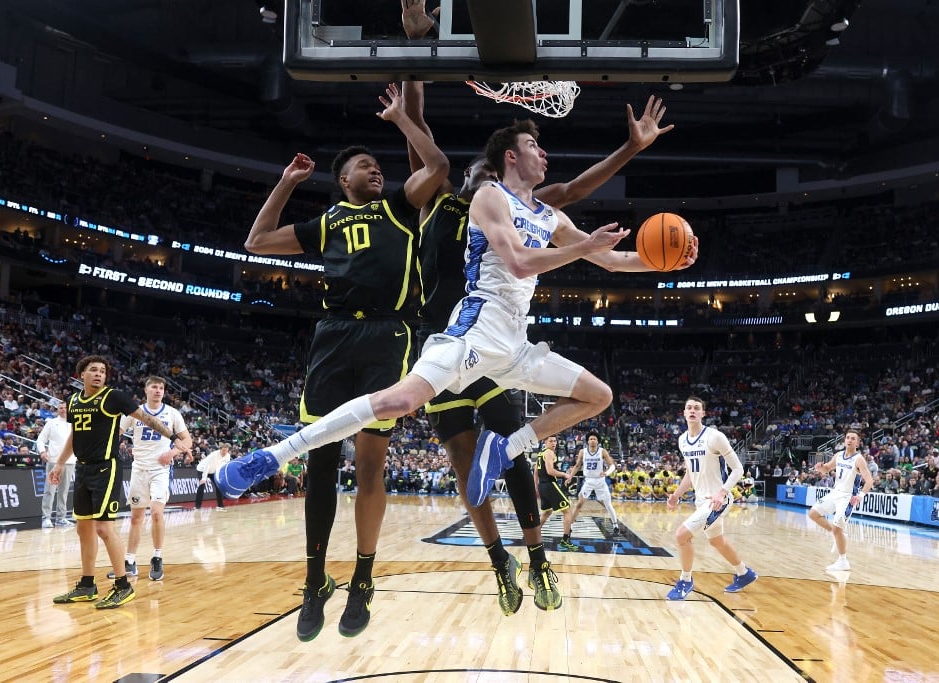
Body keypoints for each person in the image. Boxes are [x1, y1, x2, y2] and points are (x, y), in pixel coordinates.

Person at [217, 111, 695, 612]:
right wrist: (582, 249)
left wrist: (669, 259)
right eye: (535, 145)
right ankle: (273, 455)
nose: (544, 153)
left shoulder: (550, 216)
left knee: (598, 396)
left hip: (514, 343)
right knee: (399, 399)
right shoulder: (489, 198)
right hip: (472, 329)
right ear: (511, 157)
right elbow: (517, 262)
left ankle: (506, 450)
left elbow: (614, 260)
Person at [399, 2, 676, 613]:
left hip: (498, 340)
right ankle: (500, 561)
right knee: (462, 459)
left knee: (509, 449)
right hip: (445, 340)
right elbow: (419, 131)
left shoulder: (519, 206)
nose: (475, 177)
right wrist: (415, 52)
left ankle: (538, 558)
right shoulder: (441, 201)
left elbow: (571, 214)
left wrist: (659, 260)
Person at [220, 83, 448, 641]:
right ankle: (315, 579)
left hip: (388, 333)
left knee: (370, 462)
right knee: (319, 464)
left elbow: (438, 164)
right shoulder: (326, 223)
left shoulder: (399, 207)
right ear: (343, 180)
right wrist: (286, 182)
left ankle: (363, 577)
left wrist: (401, 119)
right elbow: (256, 241)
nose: (377, 172)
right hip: (332, 335)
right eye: (365, 167)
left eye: (378, 166)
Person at [50, 355, 191, 609]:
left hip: (106, 468)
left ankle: (123, 585)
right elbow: (74, 435)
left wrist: (174, 438)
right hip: (82, 468)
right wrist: (60, 462)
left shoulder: (113, 397)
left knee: (104, 528)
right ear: (81, 374)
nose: (98, 374)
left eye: (102, 371)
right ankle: (86, 584)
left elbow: (146, 418)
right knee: (83, 529)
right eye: (93, 370)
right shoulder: (72, 401)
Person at [665, 396, 756, 600]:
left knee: (681, 536)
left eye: (697, 408)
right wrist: (676, 495)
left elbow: (738, 469)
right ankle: (744, 573)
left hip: (718, 500)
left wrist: (722, 492)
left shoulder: (715, 437)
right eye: (689, 407)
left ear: (703, 413)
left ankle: (685, 581)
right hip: (701, 500)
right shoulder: (682, 440)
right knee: (717, 542)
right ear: (684, 412)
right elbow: (690, 474)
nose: (692, 411)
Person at [105, 376, 192, 582]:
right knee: (135, 518)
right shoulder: (135, 412)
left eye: (161, 388)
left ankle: (157, 556)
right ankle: (130, 561)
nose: (158, 390)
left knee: (156, 513)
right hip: (139, 469)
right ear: (146, 390)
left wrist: (171, 454)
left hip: (160, 470)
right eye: (154, 387)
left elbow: (187, 439)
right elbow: (115, 432)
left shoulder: (172, 413)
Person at [808, 430, 874, 572]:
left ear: (857, 442)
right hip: (835, 492)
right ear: (844, 440)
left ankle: (843, 561)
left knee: (838, 529)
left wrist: (860, 495)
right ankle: (838, 536)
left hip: (847, 497)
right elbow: (827, 469)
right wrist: (821, 468)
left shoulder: (859, 459)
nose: (849, 440)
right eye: (848, 437)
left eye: (853, 438)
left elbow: (869, 481)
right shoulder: (838, 455)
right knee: (813, 513)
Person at [566, 431, 620, 535]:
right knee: (579, 503)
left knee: (608, 505)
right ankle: (570, 525)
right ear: (587, 441)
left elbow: (612, 465)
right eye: (591, 439)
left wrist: (607, 472)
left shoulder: (602, 451)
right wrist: (570, 477)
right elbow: (577, 466)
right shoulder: (583, 452)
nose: (592, 440)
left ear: (598, 441)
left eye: (594, 439)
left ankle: (615, 525)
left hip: (600, 481)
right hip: (588, 480)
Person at [536, 435, 578, 553]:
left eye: (555, 441)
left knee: (547, 512)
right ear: (545, 442)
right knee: (567, 510)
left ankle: (534, 535)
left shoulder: (541, 453)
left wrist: (536, 487)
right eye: (550, 441)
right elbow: (550, 471)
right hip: (550, 484)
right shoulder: (549, 453)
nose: (553, 443)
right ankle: (565, 540)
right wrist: (565, 474)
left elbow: (536, 472)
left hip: (542, 486)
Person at [38, 401, 74, 528]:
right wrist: (42, 452)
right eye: (60, 407)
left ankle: (61, 518)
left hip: (70, 462)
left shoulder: (74, 423)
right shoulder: (51, 423)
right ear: (57, 409)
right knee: (50, 490)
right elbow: (41, 439)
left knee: (63, 491)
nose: (63, 409)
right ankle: (46, 518)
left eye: (65, 407)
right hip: (53, 461)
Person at [195, 442, 231, 510]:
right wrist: (203, 478)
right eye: (223, 450)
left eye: (226, 450)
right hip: (202, 469)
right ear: (220, 449)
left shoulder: (227, 456)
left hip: (213, 471)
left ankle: (220, 506)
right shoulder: (214, 455)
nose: (225, 452)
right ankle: (197, 506)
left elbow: (224, 467)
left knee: (219, 486)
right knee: (202, 486)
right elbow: (207, 466)